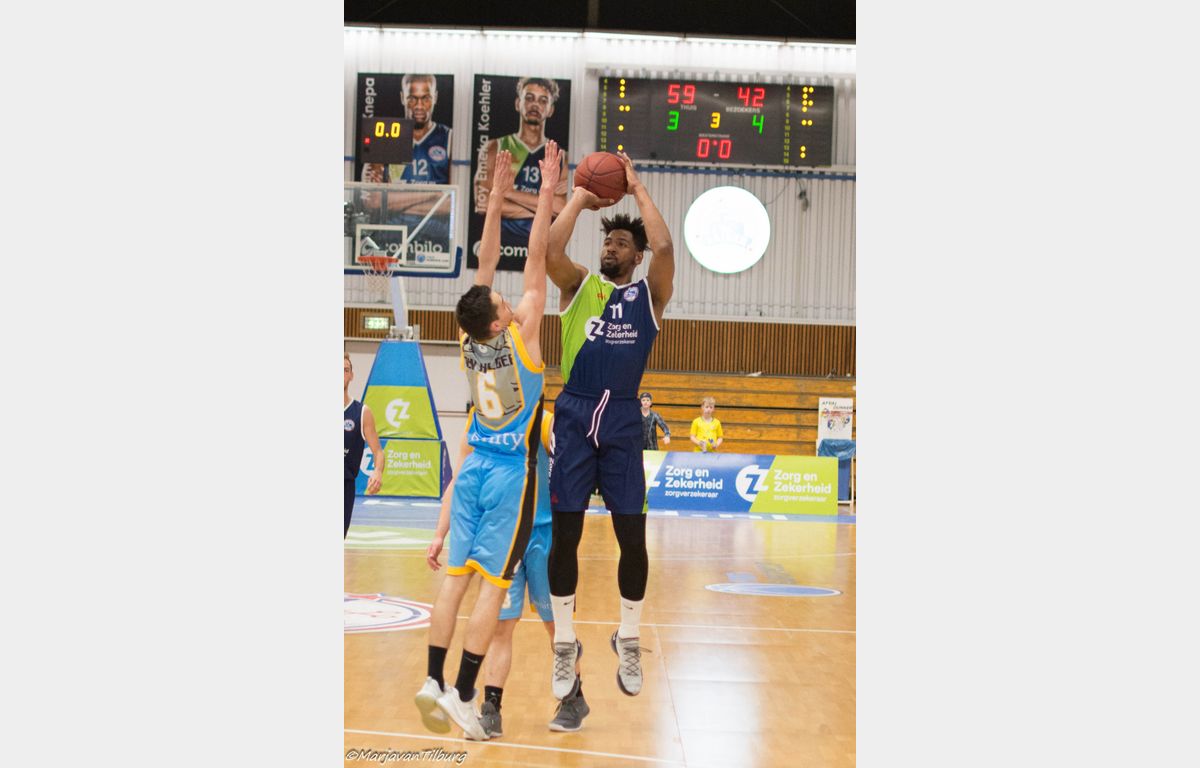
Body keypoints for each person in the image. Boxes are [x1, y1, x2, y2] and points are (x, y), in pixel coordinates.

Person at [415, 141, 560, 741]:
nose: (508, 298)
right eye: (504, 303)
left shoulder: (469, 339)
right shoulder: (524, 340)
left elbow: (484, 264)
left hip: (470, 470)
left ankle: (432, 679)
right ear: (501, 322)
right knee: (492, 591)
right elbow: (535, 262)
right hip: (507, 477)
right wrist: (544, 192)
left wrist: (496, 199)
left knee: (454, 581)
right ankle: (463, 693)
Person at [543, 151, 675, 701]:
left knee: (632, 539)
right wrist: (579, 196)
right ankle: (564, 642)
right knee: (566, 536)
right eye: (608, 242)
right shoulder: (578, 287)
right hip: (574, 414)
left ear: (635, 257)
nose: (611, 248)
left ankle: (629, 636)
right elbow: (550, 251)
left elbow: (665, 249)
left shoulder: (649, 297)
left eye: (622, 244)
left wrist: (637, 188)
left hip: (621, 419)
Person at [427, 409, 590, 737]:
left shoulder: (542, 420)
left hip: (545, 536)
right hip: (502, 538)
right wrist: (440, 533)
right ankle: (492, 707)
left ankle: (574, 698)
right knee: (501, 626)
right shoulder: (478, 421)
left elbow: (573, 464)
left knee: (555, 626)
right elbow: (458, 480)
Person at [472, 77, 569, 252]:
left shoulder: (559, 155)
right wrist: (544, 208)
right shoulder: (495, 147)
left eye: (543, 100)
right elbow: (483, 203)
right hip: (499, 243)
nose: (535, 105)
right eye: (529, 98)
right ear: (518, 103)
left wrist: (508, 193)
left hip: (538, 247)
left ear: (551, 110)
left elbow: (561, 208)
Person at [362, 74, 452, 185]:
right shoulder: (385, 136)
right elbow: (371, 192)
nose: (419, 106)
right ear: (402, 97)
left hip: (411, 197)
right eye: (412, 99)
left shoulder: (448, 137)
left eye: (426, 98)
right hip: (397, 196)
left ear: (435, 97)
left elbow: (455, 191)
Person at [344, 354, 384, 537]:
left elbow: (378, 451)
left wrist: (377, 471)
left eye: (345, 370)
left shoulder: (361, 412)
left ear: (351, 375)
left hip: (345, 487)